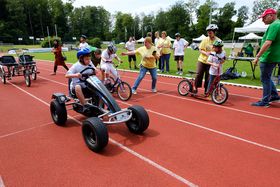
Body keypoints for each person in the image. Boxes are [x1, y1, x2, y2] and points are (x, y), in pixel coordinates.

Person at [251, 8, 280, 107]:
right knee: (267, 77)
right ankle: (275, 96)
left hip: (268, 57)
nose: (262, 20)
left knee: (265, 79)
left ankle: (265, 101)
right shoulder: (278, 24)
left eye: (264, 17)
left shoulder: (274, 25)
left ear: (271, 15)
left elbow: (268, 42)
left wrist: (257, 56)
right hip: (274, 56)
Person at [193, 24, 221, 94]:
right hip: (202, 60)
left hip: (211, 62)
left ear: (214, 32)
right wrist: (206, 53)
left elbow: (221, 51)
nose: (209, 34)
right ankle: (195, 87)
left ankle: (207, 90)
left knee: (209, 77)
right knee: (198, 74)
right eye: (208, 32)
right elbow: (200, 49)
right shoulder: (205, 40)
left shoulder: (218, 40)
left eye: (210, 32)